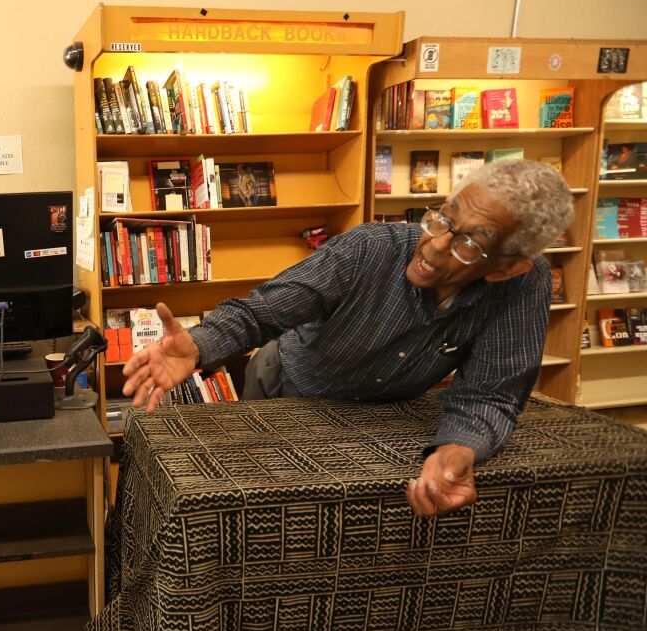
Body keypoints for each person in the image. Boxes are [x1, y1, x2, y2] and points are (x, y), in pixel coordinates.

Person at [122, 158, 573, 520]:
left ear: (506, 267)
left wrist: (456, 448)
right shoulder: (368, 248)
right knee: (268, 509)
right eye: (441, 220)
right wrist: (201, 344)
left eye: (469, 245)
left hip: (389, 415)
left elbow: (491, 394)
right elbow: (262, 311)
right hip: (289, 385)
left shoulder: (524, 283)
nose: (435, 246)